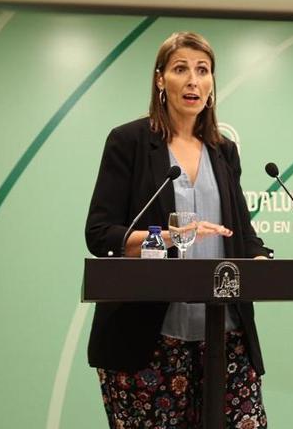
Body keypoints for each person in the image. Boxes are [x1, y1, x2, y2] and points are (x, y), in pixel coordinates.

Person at [85, 31, 271, 429]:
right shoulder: (129, 142)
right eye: (180, 69)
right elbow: (101, 234)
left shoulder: (224, 150)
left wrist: (259, 261)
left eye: (203, 71)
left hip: (225, 334)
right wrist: (170, 237)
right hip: (147, 337)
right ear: (159, 79)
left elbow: (241, 231)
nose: (193, 81)